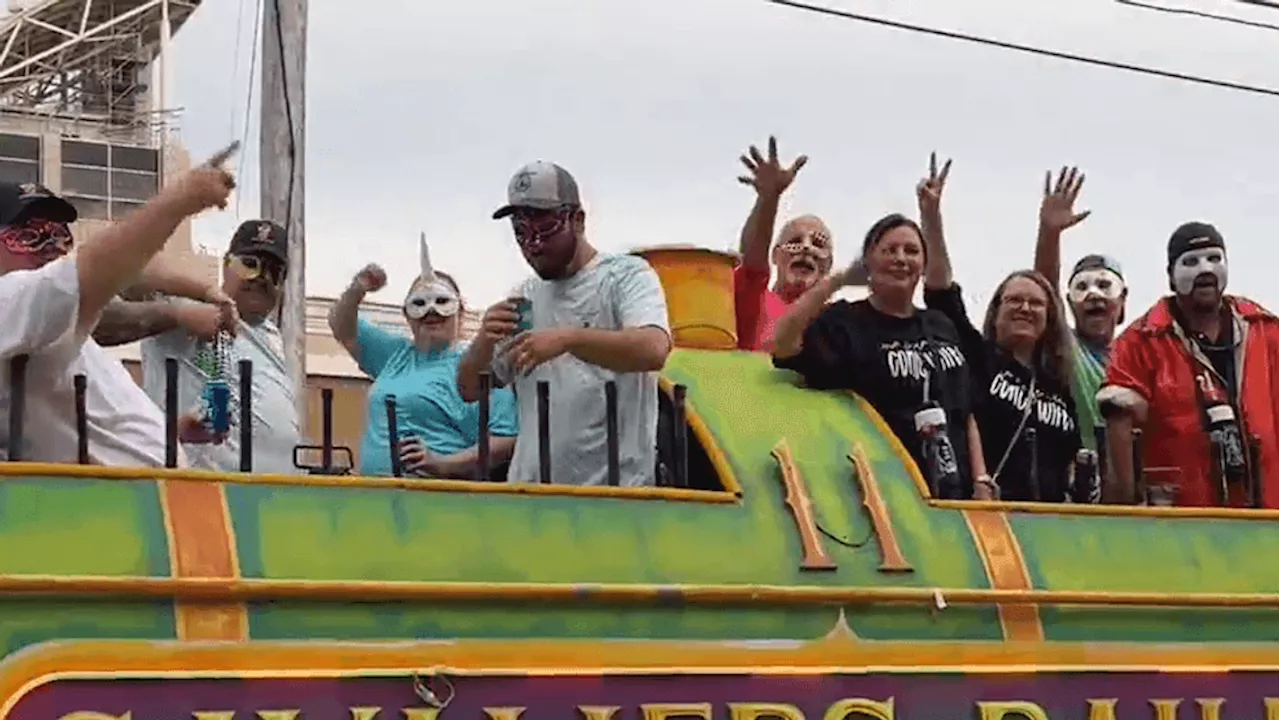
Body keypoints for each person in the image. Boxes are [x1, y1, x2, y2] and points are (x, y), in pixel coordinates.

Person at [0, 149, 237, 465]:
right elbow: (102, 267)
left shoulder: (50, 324)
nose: (53, 248)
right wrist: (181, 198)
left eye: (60, 236)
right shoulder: (12, 304)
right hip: (115, 506)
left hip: (148, 495)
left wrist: (173, 432)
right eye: (30, 236)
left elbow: (87, 429)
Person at [770, 170, 987, 499]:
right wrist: (837, 280)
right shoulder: (847, 321)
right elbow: (782, 344)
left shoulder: (941, 324)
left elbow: (965, 409)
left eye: (911, 251)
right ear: (868, 261)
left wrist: (982, 479)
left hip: (956, 495)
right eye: (889, 250)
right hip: (885, 497)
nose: (901, 259)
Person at [457, 161, 672, 487]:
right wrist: (483, 341)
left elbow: (653, 348)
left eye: (546, 229)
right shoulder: (524, 298)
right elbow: (470, 388)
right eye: (521, 233)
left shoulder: (625, 277)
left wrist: (568, 339)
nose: (534, 245)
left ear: (579, 220)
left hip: (614, 497)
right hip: (532, 495)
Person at [917, 156, 1084, 503]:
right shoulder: (980, 358)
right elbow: (941, 295)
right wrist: (931, 219)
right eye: (1014, 301)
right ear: (995, 314)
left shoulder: (1059, 386)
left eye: (1035, 304)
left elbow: (1071, 458)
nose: (1025, 308)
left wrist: (1050, 233)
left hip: (1053, 522)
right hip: (992, 516)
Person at [1099, 222, 1280, 508]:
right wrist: (1124, 512)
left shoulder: (1265, 329)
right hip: (1181, 524)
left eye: (1214, 258)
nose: (1205, 269)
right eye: (1191, 262)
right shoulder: (1140, 341)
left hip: (1266, 518)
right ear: (1171, 277)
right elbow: (1118, 427)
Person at [108, 220, 302, 474]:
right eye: (248, 265)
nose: (261, 278)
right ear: (225, 265)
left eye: (273, 271)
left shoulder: (272, 335)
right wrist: (181, 312)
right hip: (200, 492)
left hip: (274, 497)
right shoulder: (187, 305)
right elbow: (121, 263)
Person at [331, 236, 518, 478]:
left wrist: (443, 464)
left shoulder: (477, 364)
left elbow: (506, 439)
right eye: (420, 304)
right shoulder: (394, 354)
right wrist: (359, 288)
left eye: (442, 302)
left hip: (436, 500)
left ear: (460, 313)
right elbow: (341, 326)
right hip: (376, 497)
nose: (432, 312)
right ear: (407, 315)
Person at [1031, 166, 1127, 452]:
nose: (1093, 296)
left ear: (1123, 300)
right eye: (1082, 288)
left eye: (1104, 286)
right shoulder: (1069, 349)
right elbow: (1045, 290)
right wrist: (1050, 234)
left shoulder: (1139, 358)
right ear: (1069, 302)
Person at [732, 136, 845, 351]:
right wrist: (769, 199)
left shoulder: (840, 323)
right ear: (775, 255)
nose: (806, 248)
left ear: (829, 265)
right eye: (794, 242)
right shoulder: (757, 302)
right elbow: (752, 262)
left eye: (818, 244)